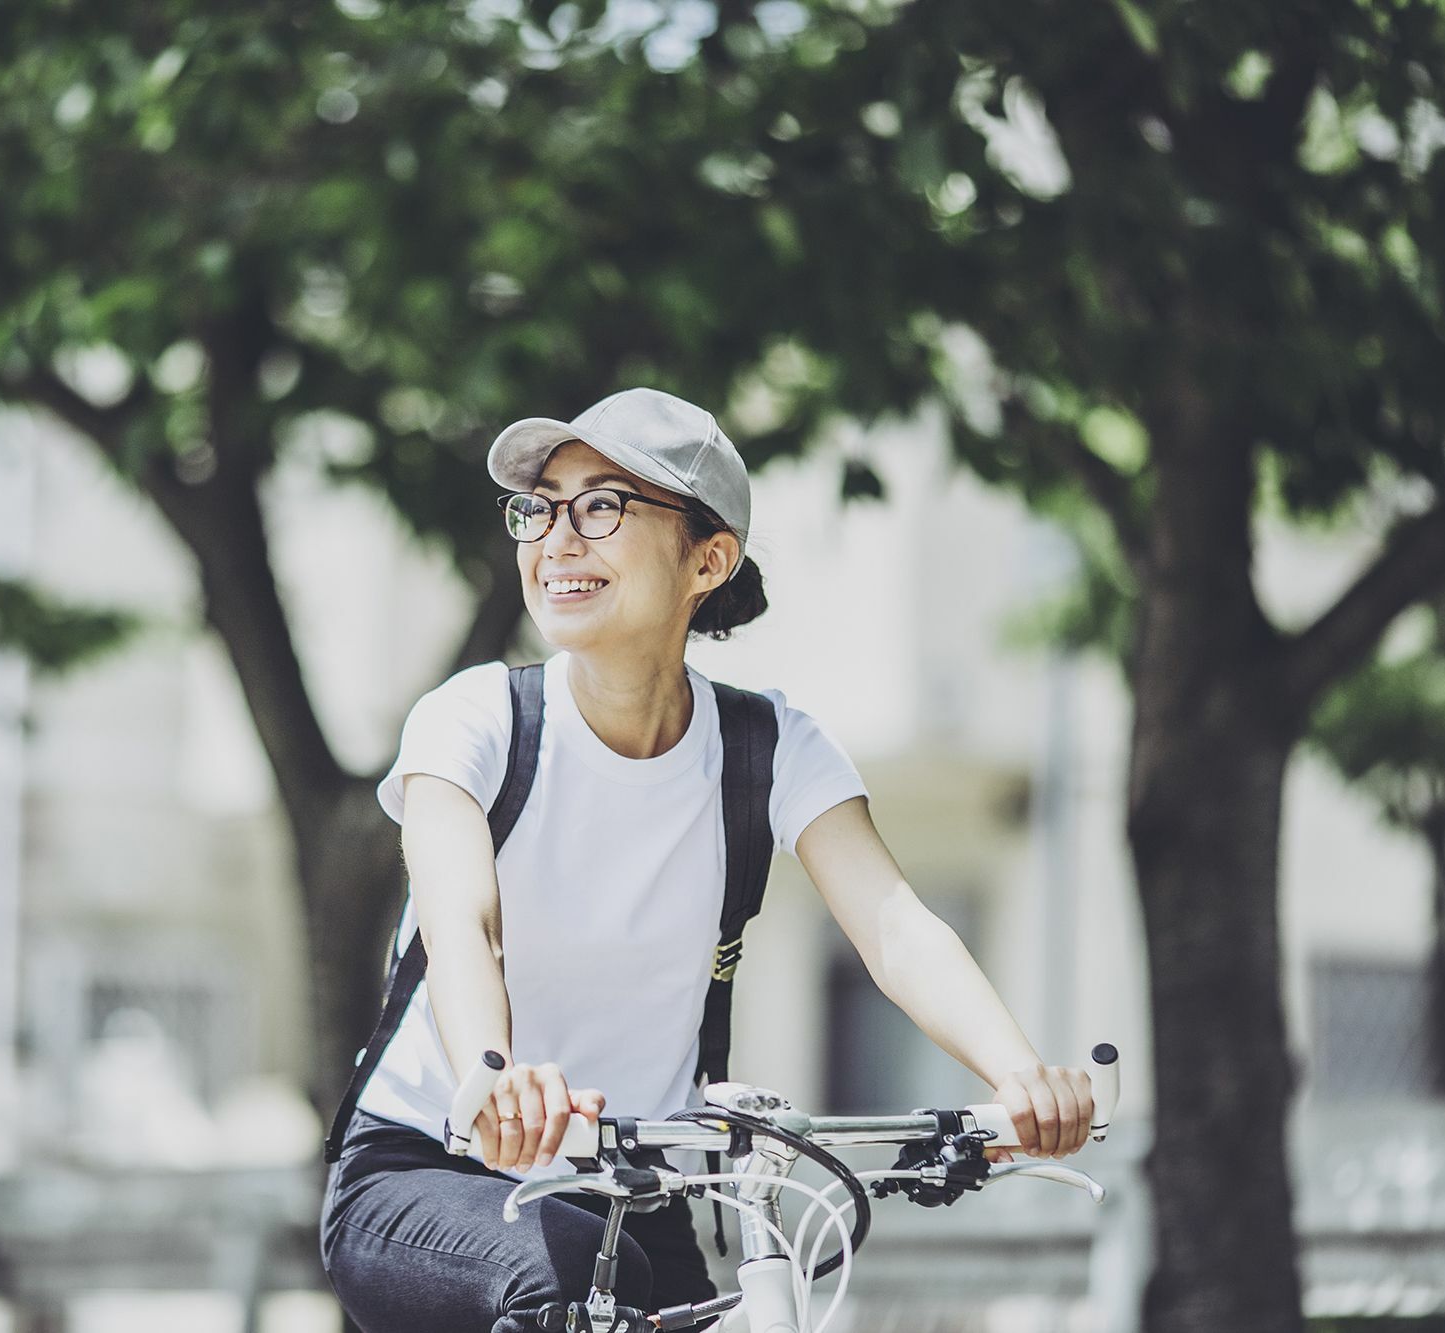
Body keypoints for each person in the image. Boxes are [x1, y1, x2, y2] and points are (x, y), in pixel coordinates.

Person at [319, 387, 1094, 1332]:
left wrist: (1020, 1076)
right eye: (540, 507)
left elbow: (895, 927)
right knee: (555, 1286)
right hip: (429, 1177)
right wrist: (495, 1072)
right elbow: (460, 921)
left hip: (641, 1193)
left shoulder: (771, 747)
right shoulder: (477, 718)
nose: (557, 538)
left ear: (708, 557)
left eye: (601, 505)